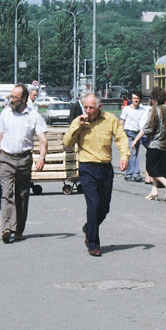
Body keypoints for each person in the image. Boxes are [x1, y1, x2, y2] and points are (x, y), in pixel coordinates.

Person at [63, 93, 130, 257]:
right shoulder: (78, 121)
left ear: (99, 107)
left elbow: (121, 138)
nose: (87, 111)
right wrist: (76, 126)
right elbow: (67, 143)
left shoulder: (110, 119)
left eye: (91, 108)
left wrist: (124, 156)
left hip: (105, 168)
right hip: (87, 168)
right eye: (85, 107)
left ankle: (89, 227)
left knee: (104, 208)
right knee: (93, 205)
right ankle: (93, 243)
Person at [0, 84, 47, 243]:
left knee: (22, 196)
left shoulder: (34, 115)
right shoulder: (5, 114)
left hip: (24, 159)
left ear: (24, 99)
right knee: (6, 193)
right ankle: (6, 227)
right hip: (6, 159)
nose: (11, 100)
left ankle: (18, 229)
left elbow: (43, 140)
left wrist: (41, 158)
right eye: (11, 97)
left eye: (15, 98)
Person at [140, 87, 166, 200]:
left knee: (151, 168)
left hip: (154, 144)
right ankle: (154, 190)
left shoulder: (154, 110)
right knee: (158, 168)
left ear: (154, 98)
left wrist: (139, 137)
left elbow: (148, 127)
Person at [119, 91, 148, 182]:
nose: (136, 100)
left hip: (138, 134)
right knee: (133, 153)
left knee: (133, 154)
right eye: (134, 98)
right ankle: (136, 174)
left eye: (137, 98)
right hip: (129, 133)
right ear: (131, 99)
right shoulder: (126, 109)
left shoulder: (142, 110)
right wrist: (119, 133)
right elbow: (122, 121)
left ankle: (128, 174)